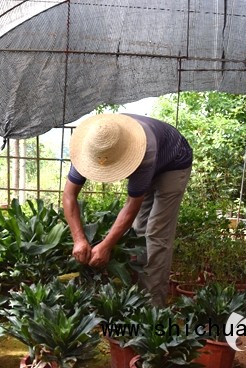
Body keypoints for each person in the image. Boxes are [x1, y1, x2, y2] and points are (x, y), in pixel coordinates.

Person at [62, 113, 192, 306]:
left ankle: (152, 307)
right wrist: (79, 239)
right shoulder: (89, 146)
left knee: (156, 234)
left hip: (174, 161)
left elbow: (132, 205)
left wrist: (105, 246)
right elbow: (69, 196)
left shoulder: (143, 151)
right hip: (153, 155)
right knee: (138, 233)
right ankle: (135, 294)